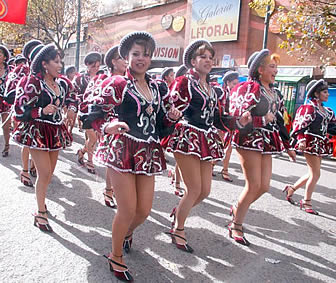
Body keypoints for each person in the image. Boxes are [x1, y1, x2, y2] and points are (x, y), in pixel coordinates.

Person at [82, 31, 181, 281]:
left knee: (144, 210)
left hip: (147, 152)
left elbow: (160, 125)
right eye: (136, 54)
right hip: (121, 150)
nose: (141, 59)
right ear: (126, 57)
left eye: (146, 54)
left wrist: (170, 118)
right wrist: (108, 126)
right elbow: (93, 113)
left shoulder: (158, 87)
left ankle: (126, 233)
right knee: (126, 209)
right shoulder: (117, 84)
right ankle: (116, 255)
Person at [165, 39, 251, 252]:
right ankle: (178, 229)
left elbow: (218, 119)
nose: (208, 61)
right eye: (203, 56)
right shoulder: (184, 82)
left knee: (204, 191)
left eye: (211, 57)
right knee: (193, 189)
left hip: (206, 138)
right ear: (193, 60)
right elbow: (171, 109)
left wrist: (239, 121)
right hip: (187, 136)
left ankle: (179, 212)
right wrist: (171, 116)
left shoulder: (213, 89)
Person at [228, 49, 296, 246]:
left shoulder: (276, 93)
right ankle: (236, 224)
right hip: (248, 139)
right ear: (260, 69)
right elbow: (238, 116)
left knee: (264, 186)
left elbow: (281, 122)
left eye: (276, 67)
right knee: (253, 185)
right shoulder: (247, 88)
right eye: (272, 66)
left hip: (267, 141)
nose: (276, 70)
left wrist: (288, 144)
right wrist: (261, 119)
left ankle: (237, 207)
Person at [12, 44, 77, 232]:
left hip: (56, 131)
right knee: (45, 173)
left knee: (49, 173)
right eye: (56, 61)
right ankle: (40, 212)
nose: (60, 65)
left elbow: (73, 97)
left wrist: (71, 108)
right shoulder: (32, 82)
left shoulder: (62, 83)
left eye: (60, 61)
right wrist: (41, 110)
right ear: (44, 64)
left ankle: (42, 202)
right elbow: (19, 108)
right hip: (37, 132)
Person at [283, 79, 336, 215]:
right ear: (317, 94)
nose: (328, 95)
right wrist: (301, 140)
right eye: (325, 92)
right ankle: (306, 201)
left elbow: (331, 128)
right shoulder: (309, 108)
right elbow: (299, 126)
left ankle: (292, 189)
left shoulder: (327, 111)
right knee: (316, 174)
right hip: (309, 143)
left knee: (313, 173)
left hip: (320, 144)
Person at [4, 40, 43, 187]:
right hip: (25, 112)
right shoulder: (21, 70)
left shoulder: (45, 71)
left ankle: (34, 165)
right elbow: (11, 90)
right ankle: (25, 170)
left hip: (41, 115)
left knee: (39, 140)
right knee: (26, 142)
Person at [74, 51, 102, 174]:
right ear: (87, 65)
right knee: (92, 137)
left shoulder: (102, 78)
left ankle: (82, 151)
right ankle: (90, 161)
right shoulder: (80, 78)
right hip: (85, 112)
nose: (95, 69)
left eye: (97, 66)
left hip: (98, 112)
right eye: (93, 66)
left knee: (93, 138)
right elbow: (73, 94)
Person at [219, 70, 240, 182]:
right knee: (218, 146)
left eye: (237, 84)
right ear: (227, 83)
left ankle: (225, 170)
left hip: (231, 124)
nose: (235, 86)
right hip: (220, 124)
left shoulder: (237, 95)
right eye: (233, 84)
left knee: (229, 148)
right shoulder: (221, 93)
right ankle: (212, 166)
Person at [0, 45, 12, 157]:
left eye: (0, 54)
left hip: (5, 100)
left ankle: (7, 145)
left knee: (6, 125)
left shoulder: (10, 70)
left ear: (5, 57)